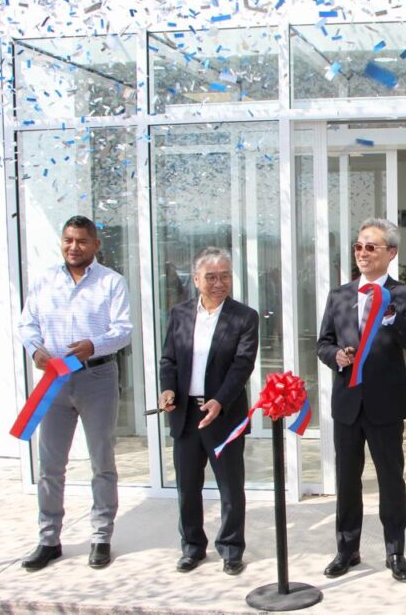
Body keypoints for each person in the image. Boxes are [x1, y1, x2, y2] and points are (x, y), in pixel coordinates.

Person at [18, 215, 133, 571]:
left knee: (102, 461)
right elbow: (27, 323)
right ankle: (48, 540)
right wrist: (35, 349)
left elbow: (123, 330)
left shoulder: (111, 282)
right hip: (55, 380)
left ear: (96, 244)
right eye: (68, 240)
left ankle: (101, 537)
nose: (74, 247)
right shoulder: (44, 281)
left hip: (96, 377)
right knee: (51, 465)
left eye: (82, 241)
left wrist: (93, 345)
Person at [317, 218, 406, 583]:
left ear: (390, 253)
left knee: (391, 480)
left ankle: (395, 551)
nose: (362, 253)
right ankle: (347, 549)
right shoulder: (339, 295)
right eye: (358, 246)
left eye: (370, 247)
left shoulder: (404, 294)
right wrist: (336, 356)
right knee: (347, 481)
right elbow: (323, 343)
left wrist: (391, 315)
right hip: (347, 403)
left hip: (386, 403)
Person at [158, 247, 259, 576]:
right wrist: (168, 389)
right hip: (186, 414)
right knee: (187, 487)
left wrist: (220, 400)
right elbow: (169, 359)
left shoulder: (244, 317)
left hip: (223, 414)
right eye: (211, 277)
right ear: (196, 279)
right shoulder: (179, 314)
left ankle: (231, 548)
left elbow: (242, 365)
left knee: (230, 487)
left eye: (225, 276)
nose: (219, 283)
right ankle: (192, 547)